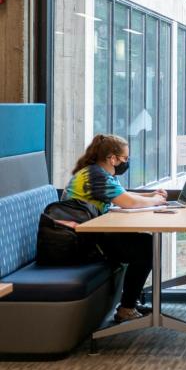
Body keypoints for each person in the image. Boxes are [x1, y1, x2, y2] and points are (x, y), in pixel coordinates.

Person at [64, 134, 167, 323]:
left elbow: (124, 195)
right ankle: (126, 308)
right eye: (125, 159)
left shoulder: (97, 172)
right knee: (146, 246)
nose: (126, 162)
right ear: (112, 158)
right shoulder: (96, 177)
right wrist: (155, 201)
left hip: (86, 233)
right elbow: (128, 202)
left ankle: (129, 303)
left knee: (142, 242)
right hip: (80, 241)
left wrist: (150, 195)